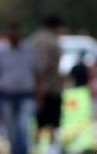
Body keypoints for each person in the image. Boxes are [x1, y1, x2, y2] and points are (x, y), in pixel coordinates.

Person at [0, 23, 38, 154]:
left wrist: (38, 95)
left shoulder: (29, 49)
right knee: (10, 130)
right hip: (6, 96)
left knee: (23, 127)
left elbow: (36, 72)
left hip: (26, 95)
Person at [29, 16, 63, 144]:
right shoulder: (49, 41)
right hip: (49, 87)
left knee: (39, 121)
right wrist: (41, 85)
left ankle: (36, 150)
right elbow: (42, 66)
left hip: (38, 87)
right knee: (52, 122)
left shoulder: (34, 38)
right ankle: (50, 151)